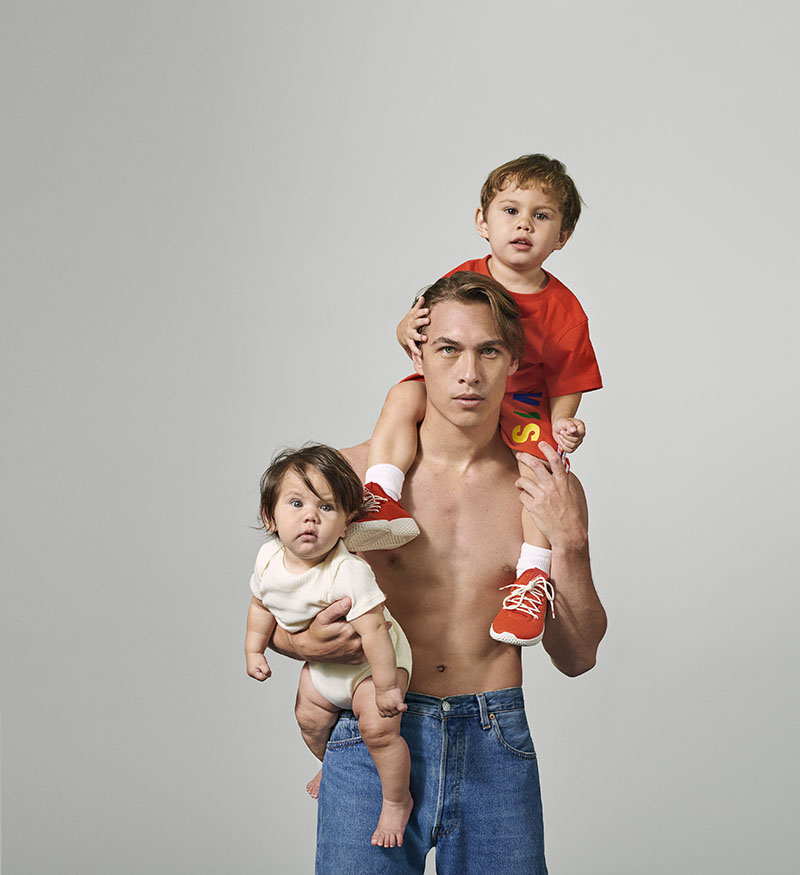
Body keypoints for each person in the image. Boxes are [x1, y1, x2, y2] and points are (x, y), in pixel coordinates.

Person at [271, 273, 607, 874]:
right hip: (375, 730)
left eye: (489, 351)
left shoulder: (544, 487)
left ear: (515, 363)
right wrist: (300, 642)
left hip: (493, 737)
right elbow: (272, 610)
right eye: (449, 349)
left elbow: (578, 655)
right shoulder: (347, 479)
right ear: (418, 354)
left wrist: (571, 540)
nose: (469, 374)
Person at [346, 154, 602, 648]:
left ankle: (532, 579)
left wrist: (563, 422)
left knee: (539, 474)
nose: (523, 224)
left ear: (562, 236)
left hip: (525, 405)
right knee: (402, 394)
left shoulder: (566, 310)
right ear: (482, 222)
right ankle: (382, 495)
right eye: (510, 211)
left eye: (541, 215)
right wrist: (403, 328)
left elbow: (570, 375)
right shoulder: (463, 276)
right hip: (385, 687)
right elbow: (421, 321)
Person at [244, 444, 414, 848]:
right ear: (270, 516)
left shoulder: (348, 571)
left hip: (372, 667)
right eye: (296, 503)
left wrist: (387, 687)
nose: (310, 517)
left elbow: (375, 631)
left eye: (326, 507)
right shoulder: (267, 560)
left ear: (345, 524)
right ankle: (330, 762)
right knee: (308, 718)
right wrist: (254, 650)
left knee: (378, 730)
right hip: (324, 669)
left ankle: (396, 800)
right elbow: (260, 605)